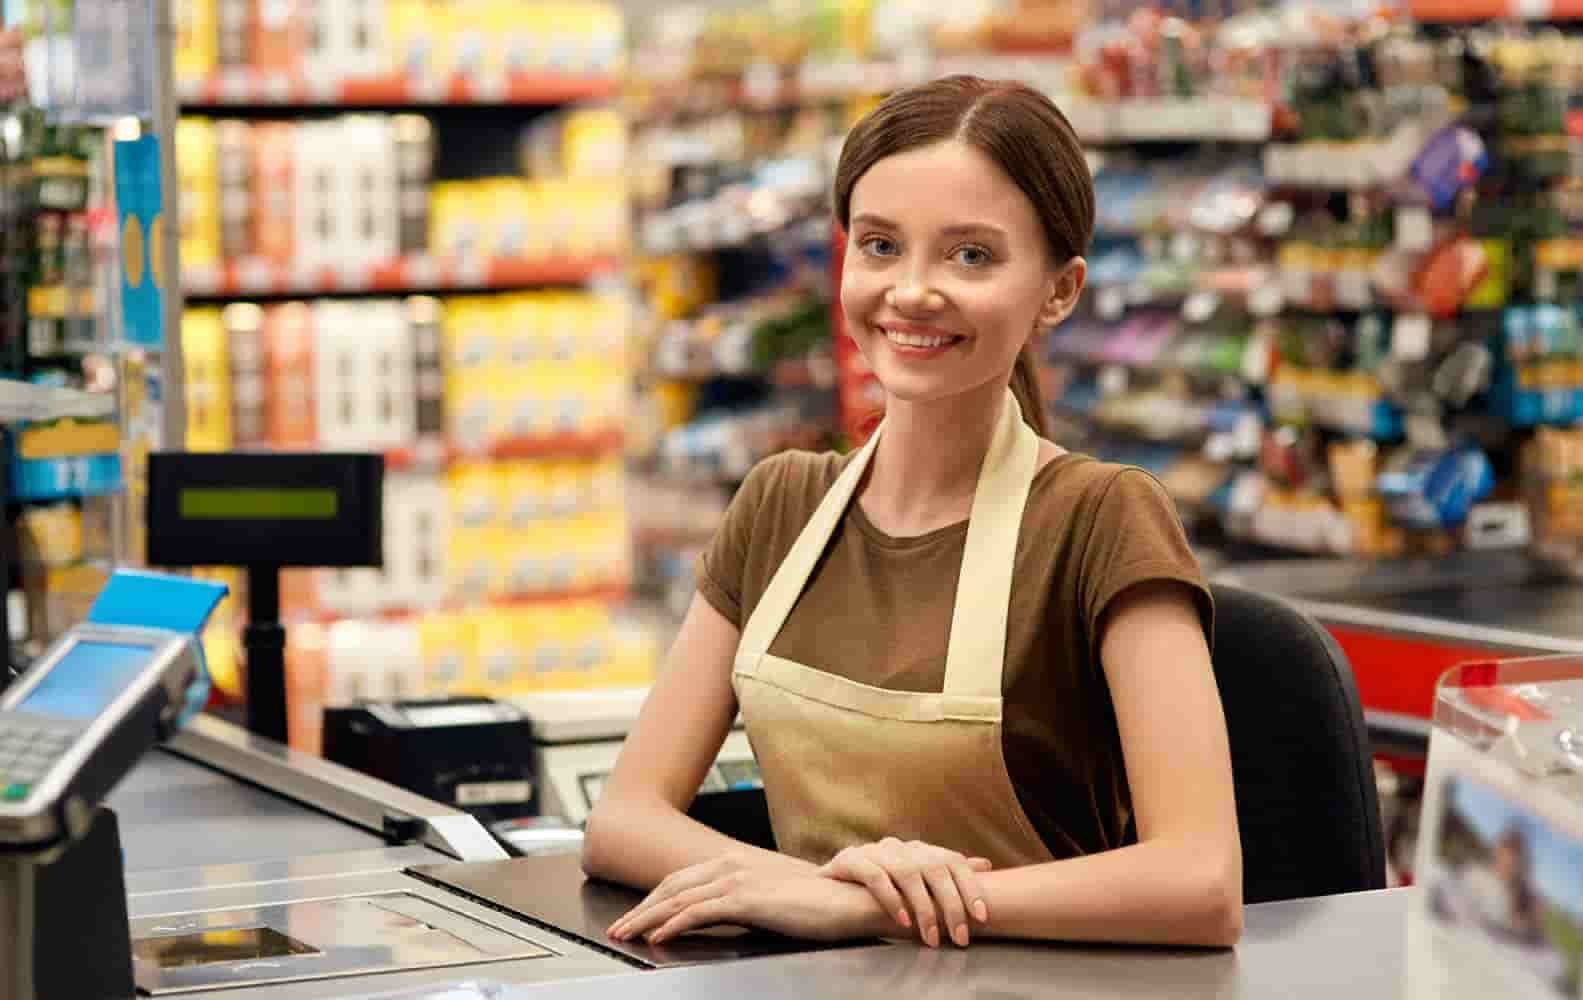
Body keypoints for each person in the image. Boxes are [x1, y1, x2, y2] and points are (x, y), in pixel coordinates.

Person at [583, 75, 1242, 951]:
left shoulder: (1100, 520)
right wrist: (811, 889)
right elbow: (622, 818)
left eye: (971, 256)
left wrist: (872, 907)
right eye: (880, 246)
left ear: (1059, 290)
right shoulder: (781, 503)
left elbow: (1199, 882)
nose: (912, 291)